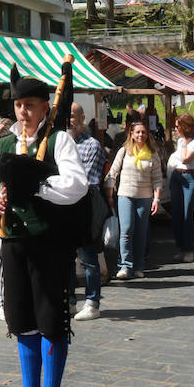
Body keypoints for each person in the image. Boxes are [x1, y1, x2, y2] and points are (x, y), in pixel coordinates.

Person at [0, 69, 88, 387]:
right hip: (13, 239)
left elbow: (76, 185)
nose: (22, 112)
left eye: (30, 106)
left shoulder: (59, 141)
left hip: (48, 241)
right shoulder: (3, 144)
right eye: (19, 105)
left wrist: (35, 185)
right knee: (20, 317)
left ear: (44, 109)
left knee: (50, 318)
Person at [106, 121, 163, 280]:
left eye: (143, 132)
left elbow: (158, 179)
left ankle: (138, 266)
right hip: (125, 195)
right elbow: (113, 173)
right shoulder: (124, 151)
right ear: (131, 134)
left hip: (144, 197)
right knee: (126, 230)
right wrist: (110, 194)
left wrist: (156, 199)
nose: (140, 135)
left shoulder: (153, 153)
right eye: (137, 132)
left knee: (141, 232)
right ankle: (125, 265)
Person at [69, 103, 105, 321]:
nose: (69, 120)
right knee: (65, 258)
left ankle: (92, 302)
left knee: (88, 258)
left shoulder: (91, 145)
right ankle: (71, 300)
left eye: (73, 116)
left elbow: (85, 181)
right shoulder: (58, 142)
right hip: (63, 209)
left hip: (85, 208)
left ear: (82, 117)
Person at [165, 114, 194, 263]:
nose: (175, 130)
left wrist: (182, 143)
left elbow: (185, 158)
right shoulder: (181, 141)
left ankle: (189, 249)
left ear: (185, 127)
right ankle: (181, 247)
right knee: (176, 213)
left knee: (188, 214)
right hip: (177, 176)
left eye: (177, 127)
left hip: (190, 177)